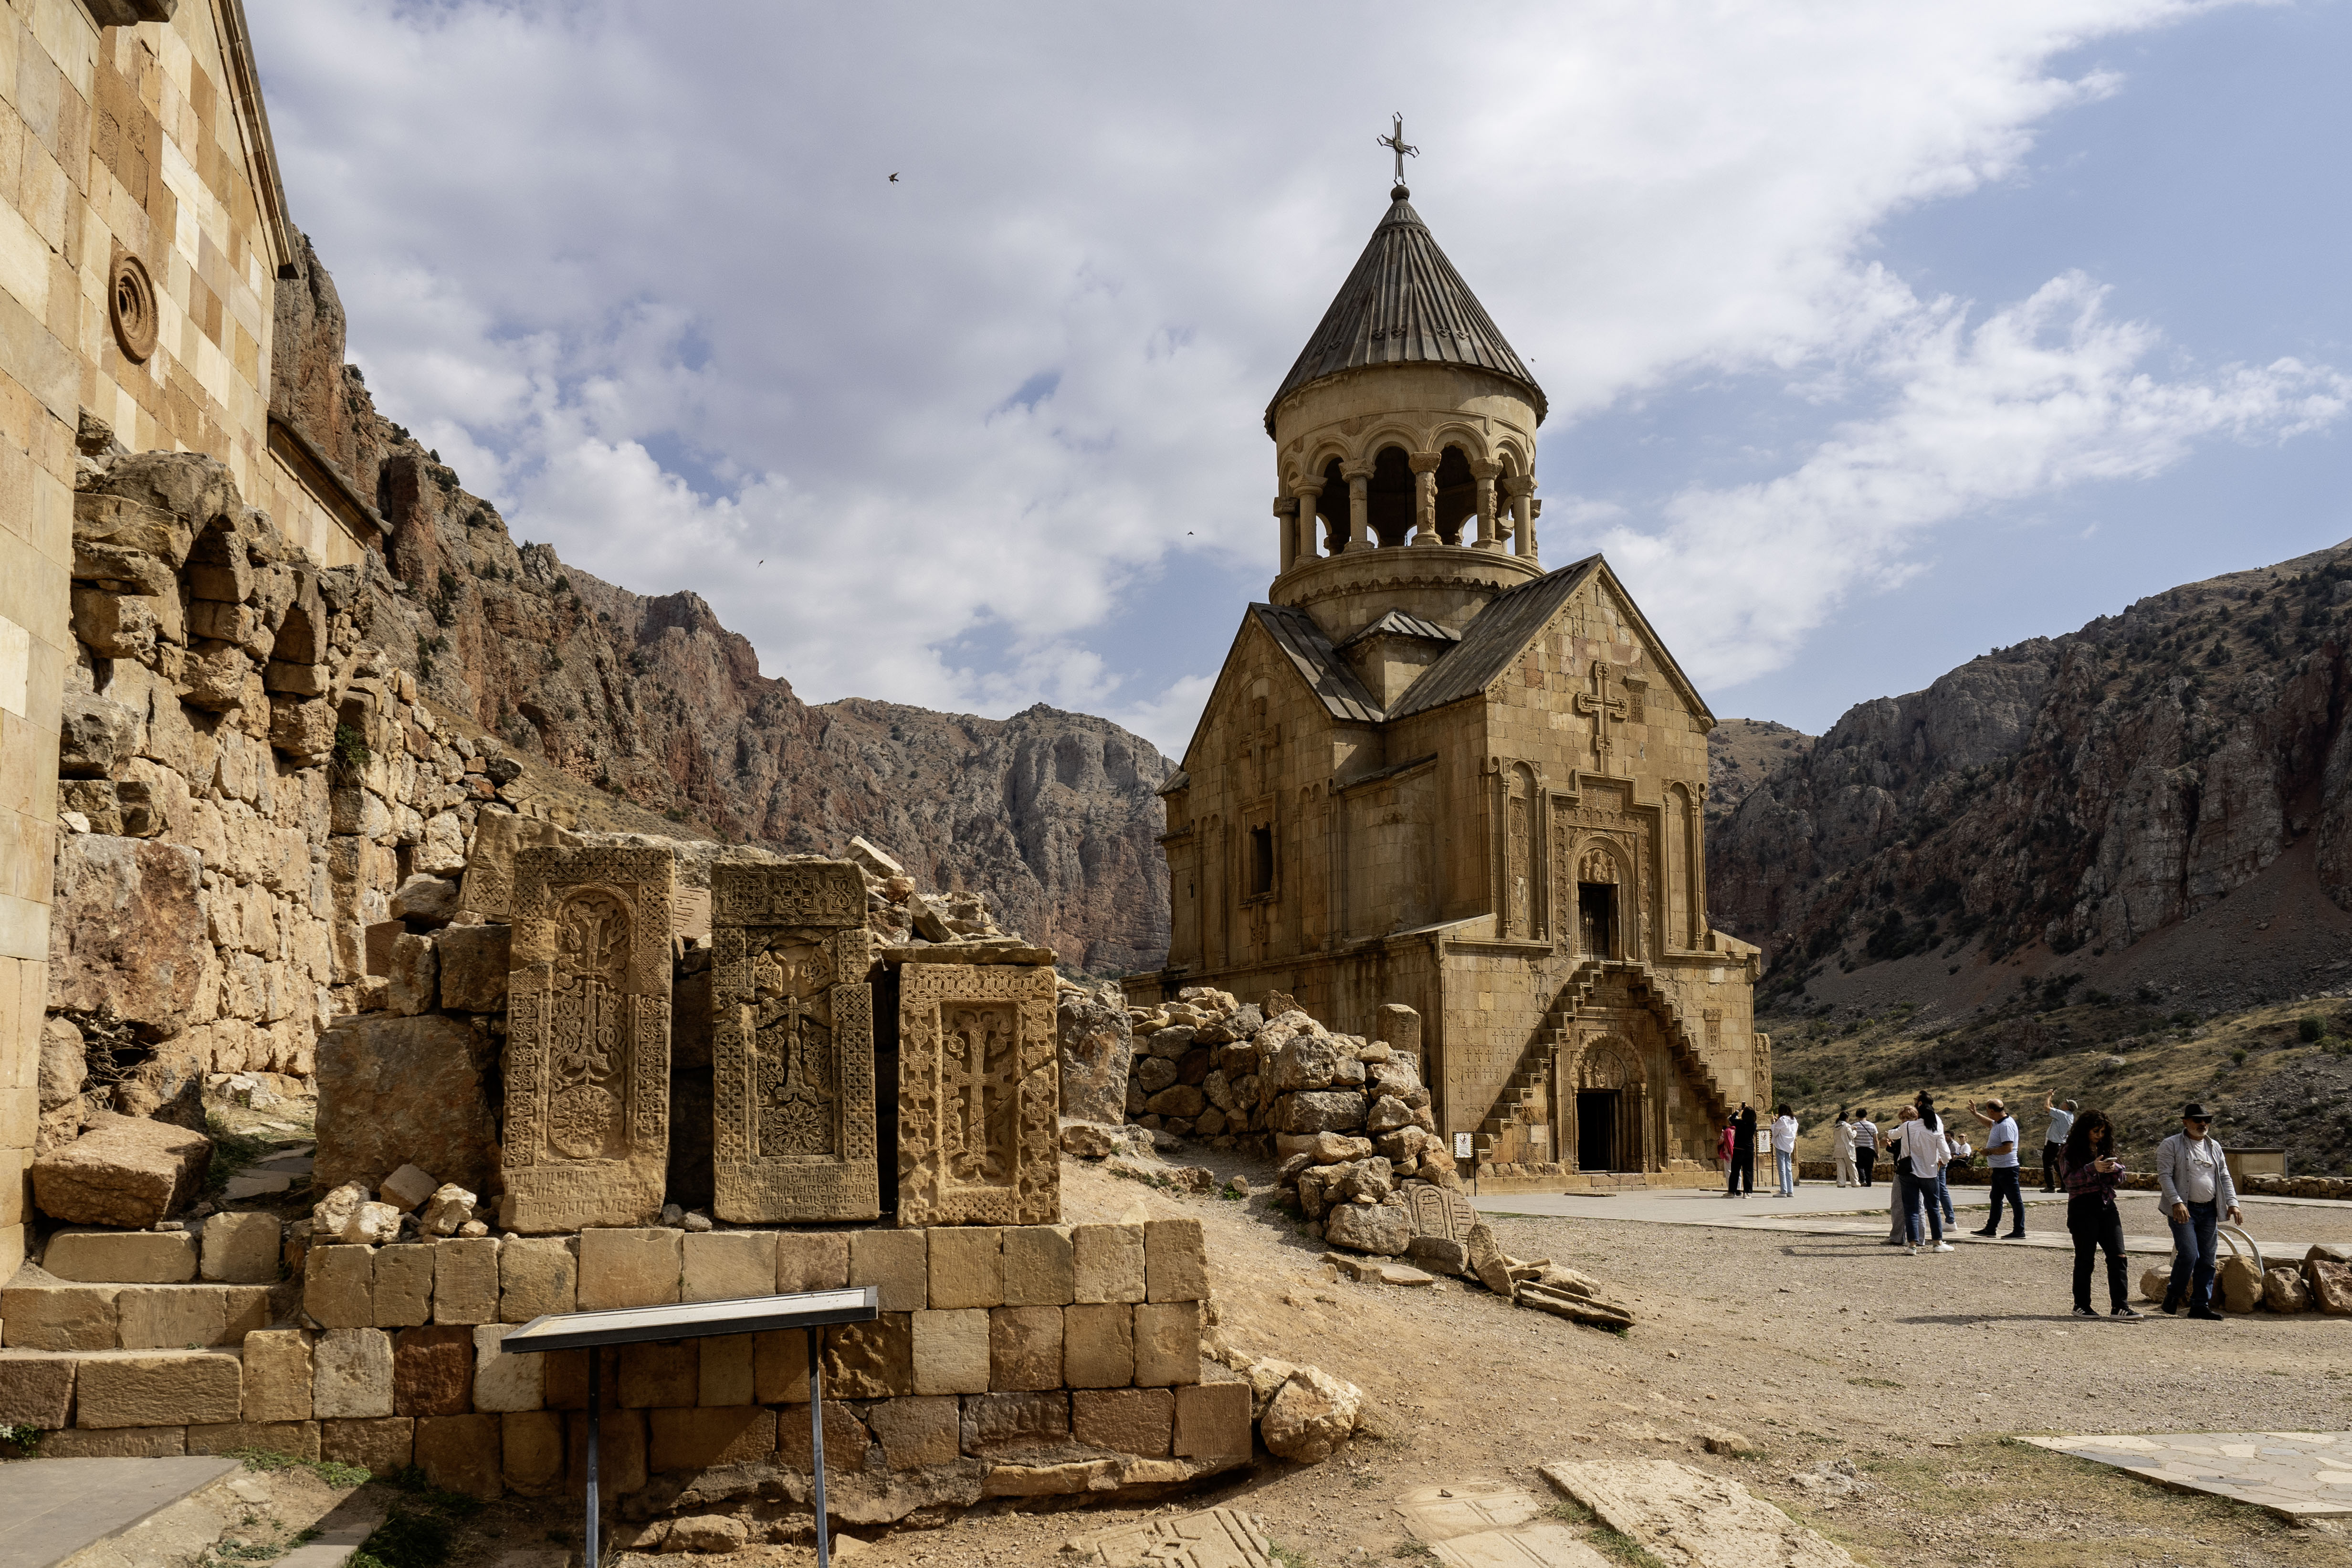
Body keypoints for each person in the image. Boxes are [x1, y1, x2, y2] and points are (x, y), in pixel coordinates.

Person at [2156, 1102, 2243, 1321]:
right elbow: (2165, 1176)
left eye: (2207, 1120)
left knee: (2207, 1259)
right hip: (2183, 1210)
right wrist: (2177, 1202)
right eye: (2198, 1120)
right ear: (2185, 1122)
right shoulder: (2171, 1145)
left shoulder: (2214, 1146)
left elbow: (2224, 1176)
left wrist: (2233, 1203)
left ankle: (2200, 1305)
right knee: (2189, 1254)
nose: (2203, 1124)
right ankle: (2173, 1295)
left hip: (2209, 1210)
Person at [2061, 1109, 2141, 1318]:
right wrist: (2092, 1168)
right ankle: (2081, 1305)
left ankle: (2120, 1306)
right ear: (2085, 1130)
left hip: (2107, 1205)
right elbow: (2069, 1181)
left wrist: (2115, 1169)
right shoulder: (2070, 1150)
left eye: (2103, 1132)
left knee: (2118, 1255)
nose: (2099, 1135)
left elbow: (2120, 1179)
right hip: (2082, 1207)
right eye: (2096, 1131)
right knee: (2086, 1258)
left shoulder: (2105, 1148)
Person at [1966, 1097, 2028, 1239]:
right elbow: (1990, 1124)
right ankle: (1991, 1229)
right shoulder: (1999, 1123)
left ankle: (2019, 1230)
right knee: (1996, 1199)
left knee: (2015, 1200)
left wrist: (1989, 1152)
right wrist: (1975, 1114)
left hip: (2008, 1168)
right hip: (1999, 1168)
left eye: (1987, 1110)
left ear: (1992, 1111)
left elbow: (2008, 1148)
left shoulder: (2006, 1126)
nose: (1987, 1113)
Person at [1896, 1099, 1952, 1253]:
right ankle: (1937, 1242)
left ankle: (1912, 1245)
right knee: (1933, 1208)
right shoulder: (1935, 1130)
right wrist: (1943, 1161)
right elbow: (1946, 1154)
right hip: (1929, 1172)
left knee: (1911, 1209)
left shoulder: (1908, 1126)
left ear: (1918, 1115)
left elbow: (1893, 1134)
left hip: (1909, 1172)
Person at [1882, 1107, 1917, 1244]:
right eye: (1903, 1118)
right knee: (1897, 1205)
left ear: (1915, 1118)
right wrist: (1889, 1145)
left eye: (1908, 1118)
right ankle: (1897, 1237)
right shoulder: (1900, 1129)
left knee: (1916, 1206)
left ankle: (1915, 1239)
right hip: (1901, 1170)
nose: (1905, 1121)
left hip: (1914, 1171)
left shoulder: (1917, 1130)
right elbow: (1895, 1148)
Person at [2042, 1093, 2078, 1194]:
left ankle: (2051, 1187)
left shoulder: (2063, 1115)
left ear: (2068, 1106)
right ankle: (2065, 1186)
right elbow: (2053, 1110)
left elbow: (2047, 1108)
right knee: (2058, 1165)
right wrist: (2051, 1099)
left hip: (2053, 1142)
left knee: (2047, 1163)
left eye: (2065, 1103)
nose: (2063, 1103)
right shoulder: (2069, 1116)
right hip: (2060, 1143)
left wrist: (2048, 1096)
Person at [1771, 1104, 1799, 1197]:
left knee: (1782, 1169)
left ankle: (1783, 1191)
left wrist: (1774, 1124)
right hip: (1789, 1146)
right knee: (1788, 1168)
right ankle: (1790, 1191)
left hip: (1781, 1145)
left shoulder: (1782, 1120)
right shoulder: (1794, 1120)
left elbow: (1775, 1133)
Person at [1731, 1104, 1758, 1199]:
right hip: (1749, 1150)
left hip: (1739, 1149)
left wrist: (1738, 1110)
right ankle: (1747, 1192)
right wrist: (1750, 1109)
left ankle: (1732, 1191)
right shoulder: (1754, 1125)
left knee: (1735, 1171)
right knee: (1748, 1171)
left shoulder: (1740, 1123)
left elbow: (1730, 1119)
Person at [1854, 1110, 1880, 1188]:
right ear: (1866, 1115)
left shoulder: (1855, 1126)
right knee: (1869, 1168)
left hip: (1858, 1149)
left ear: (1857, 1116)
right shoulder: (1872, 1126)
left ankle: (1863, 1180)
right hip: (1870, 1149)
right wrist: (1877, 1153)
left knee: (1859, 1166)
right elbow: (1876, 1140)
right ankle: (1869, 1183)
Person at [1832, 1111, 1858, 1188]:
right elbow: (1852, 1136)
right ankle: (1855, 1182)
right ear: (1847, 1118)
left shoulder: (1836, 1126)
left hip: (1838, 1149)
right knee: (1851, 1167)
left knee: (1840, 1168)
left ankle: (1841, 1183)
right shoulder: (1847, 1126)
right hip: (1847, 1149)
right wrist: (1855, 1131)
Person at [1718, 1115, 1738, 1197]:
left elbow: (1721, 1141)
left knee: (1729, 1172)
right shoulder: (1739, 1130)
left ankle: (1730, 1190)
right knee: (1738, 1171)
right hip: (1737, 1152)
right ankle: (1738, 1189)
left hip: (1728, 1153)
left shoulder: (1726, 1131)